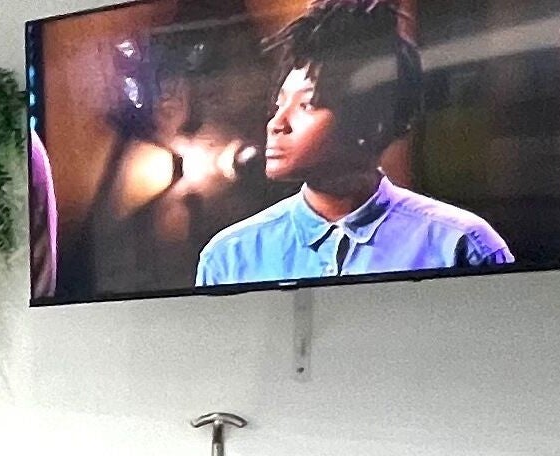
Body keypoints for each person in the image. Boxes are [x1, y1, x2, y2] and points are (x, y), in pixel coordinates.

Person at [196, 0, 511, 288]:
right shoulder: (230, 256)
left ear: (370, 118)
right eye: (279, 105)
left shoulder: (459, 244)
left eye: (307, 105)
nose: (277, 124)